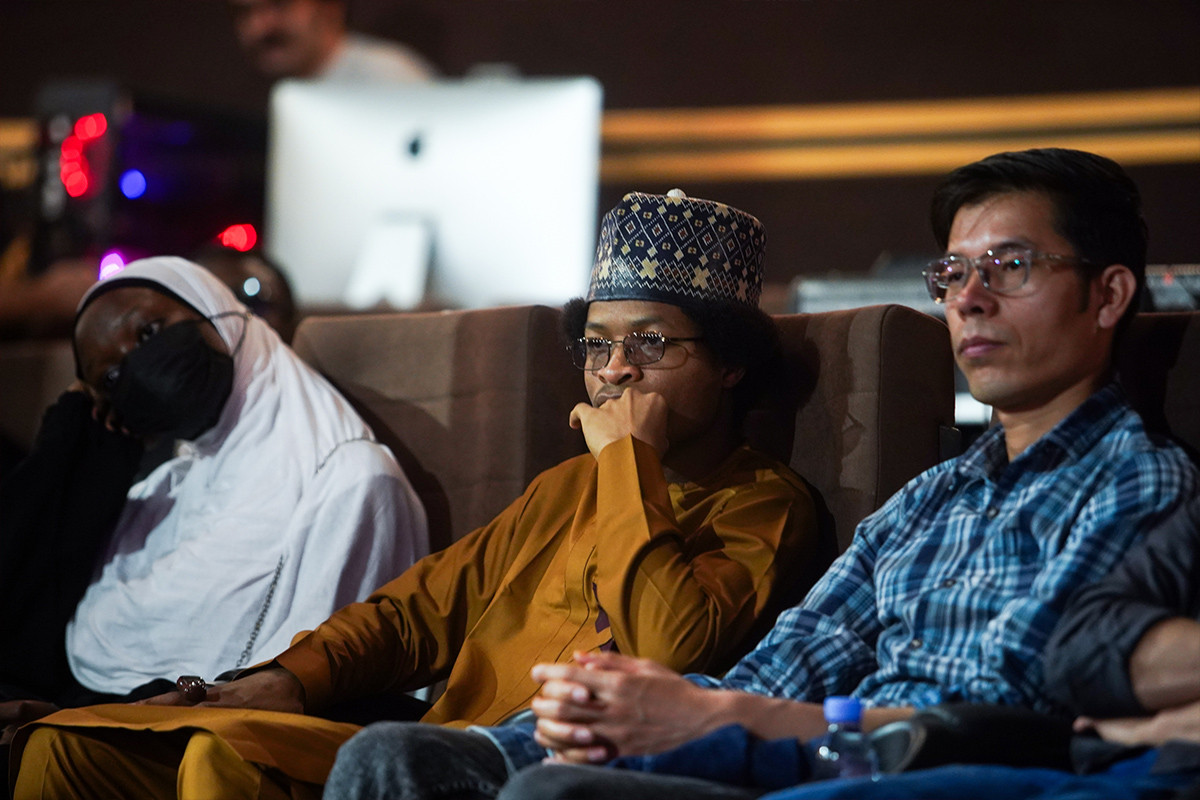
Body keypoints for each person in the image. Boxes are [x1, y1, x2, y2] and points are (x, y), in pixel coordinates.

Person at [9, 190, 821, 799]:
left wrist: (629, 463)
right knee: (67, 750)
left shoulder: (764, 505)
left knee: (220, 759)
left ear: (731, 365)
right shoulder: (563, 488)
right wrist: (292, 678)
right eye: (597, 343)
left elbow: (670, 647)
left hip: (545, 769)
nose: (614, 370)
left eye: (652, 343)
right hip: (429, 745)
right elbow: (414, 613)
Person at [490, 148, 1200, 800]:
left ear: (1108, 295)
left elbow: (1014, 705)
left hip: (939, 773)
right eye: (953, 274)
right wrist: (629, 705)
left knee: (551, 793)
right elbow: (789, 663)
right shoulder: (928, 498)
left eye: (1010, 267)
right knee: (472, 760)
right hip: (814, 755)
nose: (968, 300)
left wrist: (716, 712)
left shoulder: (1139, 481)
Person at [0, 256, 427, 720]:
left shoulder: (349, 482)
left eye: (149, 332)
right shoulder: (164, 492)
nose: (139, 363)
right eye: (112, 378)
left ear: (213, 307)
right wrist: (72, 435)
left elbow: (320, 682)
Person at [227, 0, 437, 83]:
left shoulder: (387, 76)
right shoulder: (285, 90)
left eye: (279, 5)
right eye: (244, 12)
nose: (258, 26)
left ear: (331, 6)